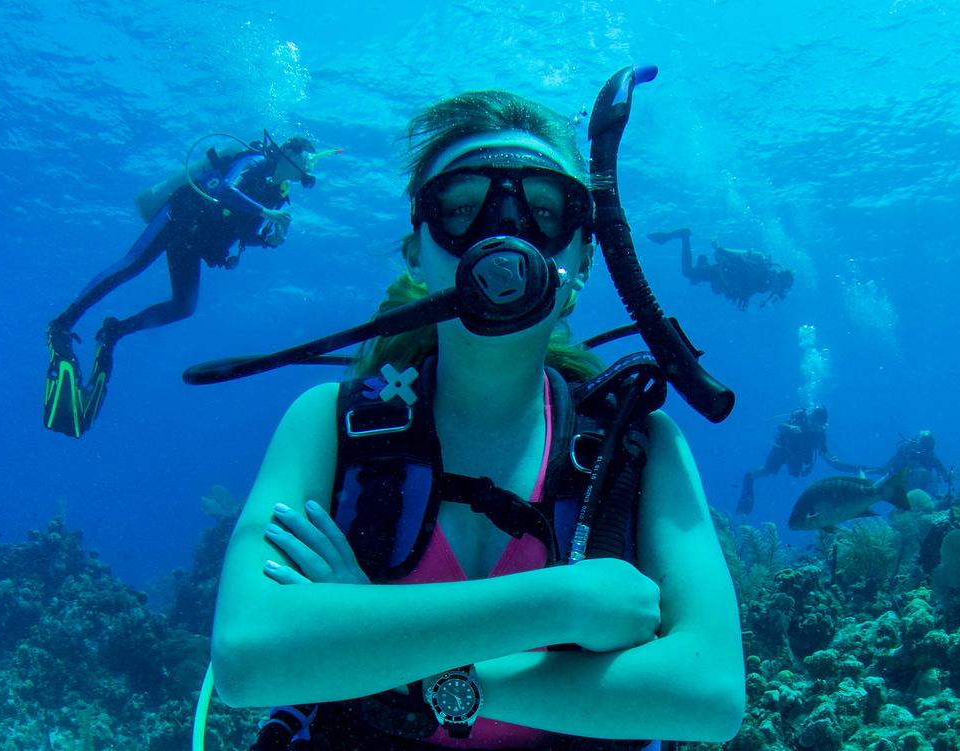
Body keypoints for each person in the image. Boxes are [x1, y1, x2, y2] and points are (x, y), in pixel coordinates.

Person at [210, 91, 744, 750]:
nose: (504, 234)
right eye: (462, 208)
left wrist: (379, 643)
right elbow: (246, 657)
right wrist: (564, 602)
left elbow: (711, 694)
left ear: (583, 257)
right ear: (416, 250)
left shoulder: (641, 445)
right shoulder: (327, 421)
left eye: (544, 211)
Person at [43, 134, 319, 438]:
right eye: (306, 158)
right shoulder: (255, 162)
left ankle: (114, 332)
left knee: (184, 306)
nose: (309, 166)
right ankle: (61, 324)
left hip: (195, 242)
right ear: (289, 152)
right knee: (131, 265)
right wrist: (266, 213)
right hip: (180, 216)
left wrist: (267, 240)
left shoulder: (276, 194)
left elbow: (244, 232)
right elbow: (225, 189)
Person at [737, 406, 863, 516]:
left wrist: (837, 462)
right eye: (813, 420)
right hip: (783, 449)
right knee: (767, 470)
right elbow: (779, 426)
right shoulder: (800, 418)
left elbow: (825, 455)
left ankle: (860, 469)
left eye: (817, 423)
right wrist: (790, 427)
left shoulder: (820, 433)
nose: (813, 425)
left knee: (795, 474)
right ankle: (749, 478)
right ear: (811, 416)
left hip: (798, 456)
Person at [647, 227, 793, 310]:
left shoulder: (764, 285)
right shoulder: (762, 271)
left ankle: (702, 261)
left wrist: (744, 297)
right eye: (782, 288)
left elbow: (747, 285)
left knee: (700, 280)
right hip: (722, 271)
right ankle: (684, 235)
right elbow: (740, 263)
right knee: (688, 272)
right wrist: (719, 249)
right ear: (779, 280)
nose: (778, 291)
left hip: (721, 278)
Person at [872, 430, 948, 493]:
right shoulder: (907, 449)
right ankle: (870, 485)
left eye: (928, 446)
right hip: (900, 479)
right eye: (924, 445)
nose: (925, 450)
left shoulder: (930, 455)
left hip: (919, 486)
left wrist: (947, 476)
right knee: (876, 487)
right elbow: (891, 464)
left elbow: (942, 471)